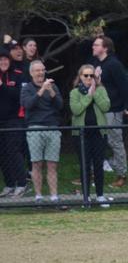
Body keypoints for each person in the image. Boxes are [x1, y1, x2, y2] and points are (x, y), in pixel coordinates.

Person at [91, 35, 128, 187]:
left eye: (96, 45)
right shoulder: (97, 63)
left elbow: (126, 86)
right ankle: (93, 173)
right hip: (98, 109)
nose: (93, 47)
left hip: (112, 110)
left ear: (105, 48)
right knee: (96, 142)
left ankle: (121, 174)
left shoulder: (114, 64)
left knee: (114, 141)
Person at [20, 60, 63, 203]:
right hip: (35, 128)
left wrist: (50, 90)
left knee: (52, 164)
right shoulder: (26, 88)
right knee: (36, 163)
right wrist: (41, 90)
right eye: (38, 70)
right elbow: (28, 105)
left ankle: (54, 196)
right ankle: (38, 196)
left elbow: (60, 106)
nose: (41, 73)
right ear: (31, 73)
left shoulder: (53, 86)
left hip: (52, 128)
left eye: (43, 70)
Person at [69, 64, 111, 207]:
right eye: (85, 75)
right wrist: (88, 96)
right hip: (81, 135)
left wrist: (95, 91)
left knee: (98, 165)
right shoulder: (74, 93)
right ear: (80, 77)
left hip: (99, 134)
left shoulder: (101, 90)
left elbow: (106, 107)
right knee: (85, 166)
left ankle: (100, 195)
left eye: (91, 75)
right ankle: (86, 197)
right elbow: (76, 110)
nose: (88, 78)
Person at [0, 48, 28, 198]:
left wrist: (2, 86)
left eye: (5, 59)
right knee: (2, 154)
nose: (3, 62)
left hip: (14, 120)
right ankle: (9, 184)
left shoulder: (18, 75)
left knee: (14, 152)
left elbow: (19, 96)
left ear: (10, 61)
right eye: (0, 60)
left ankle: (22, 184)